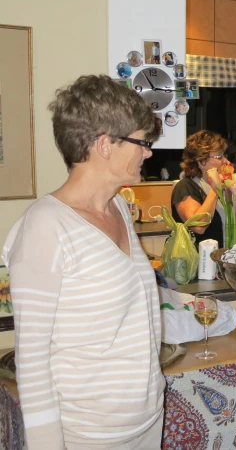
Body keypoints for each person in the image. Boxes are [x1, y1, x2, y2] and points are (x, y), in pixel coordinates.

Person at [3, 75, 164, 449]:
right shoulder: (45, 227)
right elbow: (32, 359)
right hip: (88, 434)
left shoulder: (119, 207)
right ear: (105, 145)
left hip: (145, 419)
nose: (148, 153)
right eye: (142, 142)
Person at [171, 130, 228, 248]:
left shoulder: (224, 188)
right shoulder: (185, 187)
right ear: (202, 161)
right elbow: (198, 226)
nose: (226, 161)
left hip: (220, 259)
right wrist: (214, 191)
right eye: (219, 157)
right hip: (198, 262)